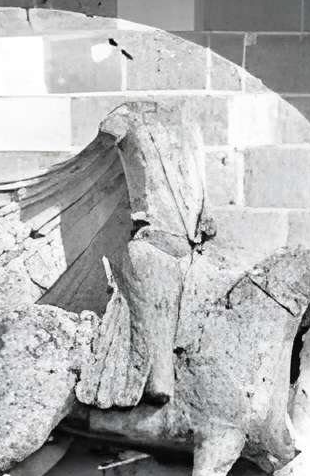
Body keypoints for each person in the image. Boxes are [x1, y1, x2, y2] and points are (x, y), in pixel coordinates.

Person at [77, 103, 215, 412]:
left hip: (189, 251)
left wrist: (206, 215)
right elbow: (108, 133)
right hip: (151, 247)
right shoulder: (126, 120)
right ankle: (152, 382)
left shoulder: (188, 122)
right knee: (159, 374)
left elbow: (199, 188)